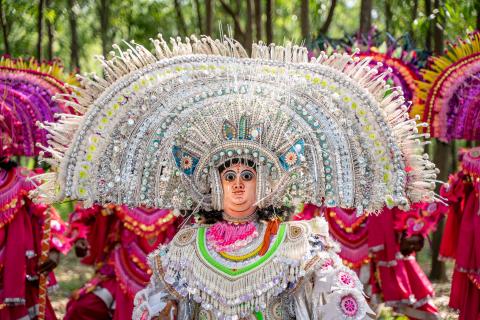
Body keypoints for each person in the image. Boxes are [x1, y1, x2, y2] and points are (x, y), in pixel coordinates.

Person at [33, 35, 438, 319]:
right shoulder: (185, 248)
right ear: (215, 184)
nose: (239, 183)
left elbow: (339, 302)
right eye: (229, 176)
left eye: (248, 173)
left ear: (267, 183)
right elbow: (152, 306)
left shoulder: (299, 244)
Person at [64, 204, 179, 320]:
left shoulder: (182, 193)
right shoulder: (117, 188)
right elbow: (85, 210)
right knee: (82, 307)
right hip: (121, 271)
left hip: (171, 275)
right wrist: (80, 236)